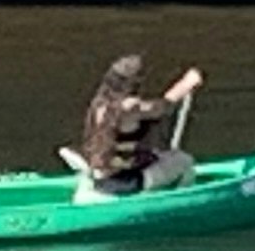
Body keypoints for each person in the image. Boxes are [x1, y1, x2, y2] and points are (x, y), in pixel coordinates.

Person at [79, 53, 204, 195]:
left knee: (160, 154)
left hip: (100, 177)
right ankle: (180, 199)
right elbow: (163, 107)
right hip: (126, 180)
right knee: (185, 160)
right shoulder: (130, 107)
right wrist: (187, 83)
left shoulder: (98, 104)